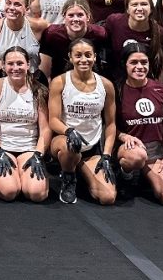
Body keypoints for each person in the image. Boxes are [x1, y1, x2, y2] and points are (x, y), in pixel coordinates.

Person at [49, 38, 117, 206]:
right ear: (70, 58)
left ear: (95, 57)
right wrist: (69, 131)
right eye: (78, 55)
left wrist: (107, 155)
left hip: (91, 148)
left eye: (88, 55)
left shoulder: (106, 85)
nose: (83, 60)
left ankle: (82, 170)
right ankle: (68, 176)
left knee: (108, 197)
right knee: (71, 147)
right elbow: (53, 120)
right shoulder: (60, 82)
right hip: (64, 143)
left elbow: (110, 124)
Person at [0, 46, 49, 203]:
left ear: (28, 65)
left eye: (20, 63)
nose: (15, 68)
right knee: (9, 192)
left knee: (37, 194)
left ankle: (21, 172)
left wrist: (38, 154)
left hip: (29, 148)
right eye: (10, 64)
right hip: (2, 147)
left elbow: (45, 129)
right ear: (4, 66)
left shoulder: (38, 89)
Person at [114, 44, 163, 206]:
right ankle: (126, 176)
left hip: (154, 152)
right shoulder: (116, 91)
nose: (139, 67)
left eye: (144, 62)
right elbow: (107, 126)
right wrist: (123, 136)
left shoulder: (161, 89)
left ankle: (143, 176)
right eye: (134, 62)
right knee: (136, 157)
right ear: (125, 64)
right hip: (129, 150)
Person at [101, 0, 163, 83]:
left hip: (145, 82)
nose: (139, 8)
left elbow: (161, 66)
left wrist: (157, 87)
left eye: (144, 4)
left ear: (151, 9)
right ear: (127, 9)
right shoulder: (114, 22)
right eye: (134, 4)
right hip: (116, 81)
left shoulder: (160, 33)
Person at [39, 0, 108, 79]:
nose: (75, 19)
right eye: (71, 15)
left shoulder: (99, 34)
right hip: (60, 79)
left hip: (91, 78)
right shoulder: (52, 34)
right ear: (64, 17)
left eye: (80, 15)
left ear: (88, 17)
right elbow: (44, 68)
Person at [0, 0, 47, 72]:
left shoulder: (39, 26)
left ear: (27, 9)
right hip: (7, 77)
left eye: (17, 4)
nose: (11, 8)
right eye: (8, 3)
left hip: (33, 77)